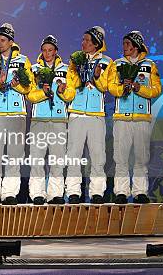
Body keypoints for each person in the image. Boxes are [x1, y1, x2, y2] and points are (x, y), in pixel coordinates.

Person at [0, 23, 34, 205]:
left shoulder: (23, 61)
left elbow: (30, 88)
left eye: (3, 40)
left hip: (17, 113)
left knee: (15, 154)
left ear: (11, 42)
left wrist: (17, 84)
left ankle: (10, 192)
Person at [108, 31, 161, 204]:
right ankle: (121, 192)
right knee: (121, 157)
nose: (124, 47)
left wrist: (139, 89)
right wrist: (122, 88)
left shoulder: (150, 65)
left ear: (136, 46)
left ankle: (140, 192)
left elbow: (156, 90)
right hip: (121, 117)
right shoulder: (116, 64)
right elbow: (111, 87)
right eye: (123, 43)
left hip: (142, 117)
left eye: (127, 44)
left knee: (141, 157)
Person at [64, 26, 112, 204]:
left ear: (96, 43)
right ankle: (74, 192)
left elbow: (106, 86)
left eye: (87, 40)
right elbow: (72, 82)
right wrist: (78, 70)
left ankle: (97, 192)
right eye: (83, 39)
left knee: (98, 156)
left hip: (96, 114)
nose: (83, 43)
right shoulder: (75, 59)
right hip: (76, 113)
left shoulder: (107, 62)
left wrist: (97, 76)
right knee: (73, 155)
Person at [26, 35, 74, 205]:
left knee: (57, 159)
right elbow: (30, 95)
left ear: (56, 51)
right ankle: (37, 193)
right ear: (41, 51)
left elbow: (70, 95)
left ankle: (56, 193)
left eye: (50, 50)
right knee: (37, 159)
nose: (47, 53)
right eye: (45, 50)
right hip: (39, 119)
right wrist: (44, 93)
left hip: (59, 120)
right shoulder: (33, 69)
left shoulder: (66, 70)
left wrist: (61, 91)